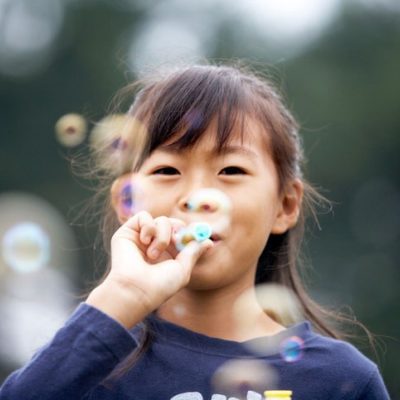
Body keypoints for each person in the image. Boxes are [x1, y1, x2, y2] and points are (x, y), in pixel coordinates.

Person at [0, 63, 390, 400]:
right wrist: (122, 298)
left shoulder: (342, 380)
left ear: (285, 205)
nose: (199, 197)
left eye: (231, 170)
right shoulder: (86, 364)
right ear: (128, 201)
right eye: (167, 170)